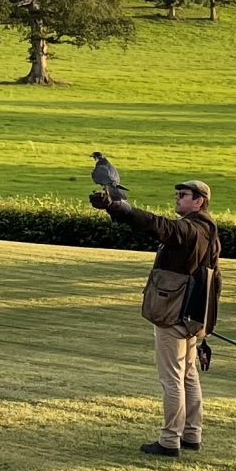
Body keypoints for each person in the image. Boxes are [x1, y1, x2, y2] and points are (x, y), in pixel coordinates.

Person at [89, 176, 221, 456]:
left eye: (184, 195)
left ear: (199, 202)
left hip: (173, 314)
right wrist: (204, 325)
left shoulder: (189, 229)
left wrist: (122, 208)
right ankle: (191, 435)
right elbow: (215, 280)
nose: (178, 198)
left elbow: (159, 226)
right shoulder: (209, 230)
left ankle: (169, 440)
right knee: (188, 375)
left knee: (172, 379)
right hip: (191, 316)